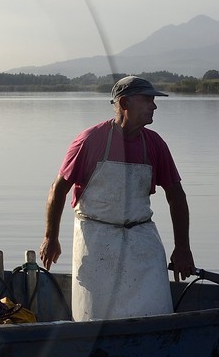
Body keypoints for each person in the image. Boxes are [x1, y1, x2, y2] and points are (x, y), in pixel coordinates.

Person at [40, 76, 195, 320]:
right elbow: (58, 190)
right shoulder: (90, 140)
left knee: (155, 313)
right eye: (147, 100)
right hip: (96, 237)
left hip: (142, 237)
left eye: (153, 100)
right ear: (124, 103)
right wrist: (51, 237)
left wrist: (182, 247)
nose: (154, 106)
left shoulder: (155, 144)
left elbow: (176, 197)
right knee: (98, 317)